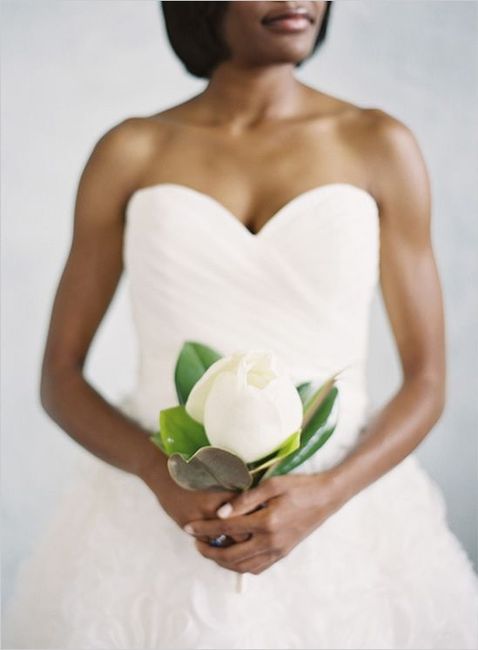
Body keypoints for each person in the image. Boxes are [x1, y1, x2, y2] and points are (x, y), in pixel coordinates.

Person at [4, 1, 478, 648]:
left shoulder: (379, 145)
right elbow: (59, 376)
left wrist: (326, 494)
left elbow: (427, 380)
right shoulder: (131, 150)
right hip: (158, 522)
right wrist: (157, 476)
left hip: (346, 520)